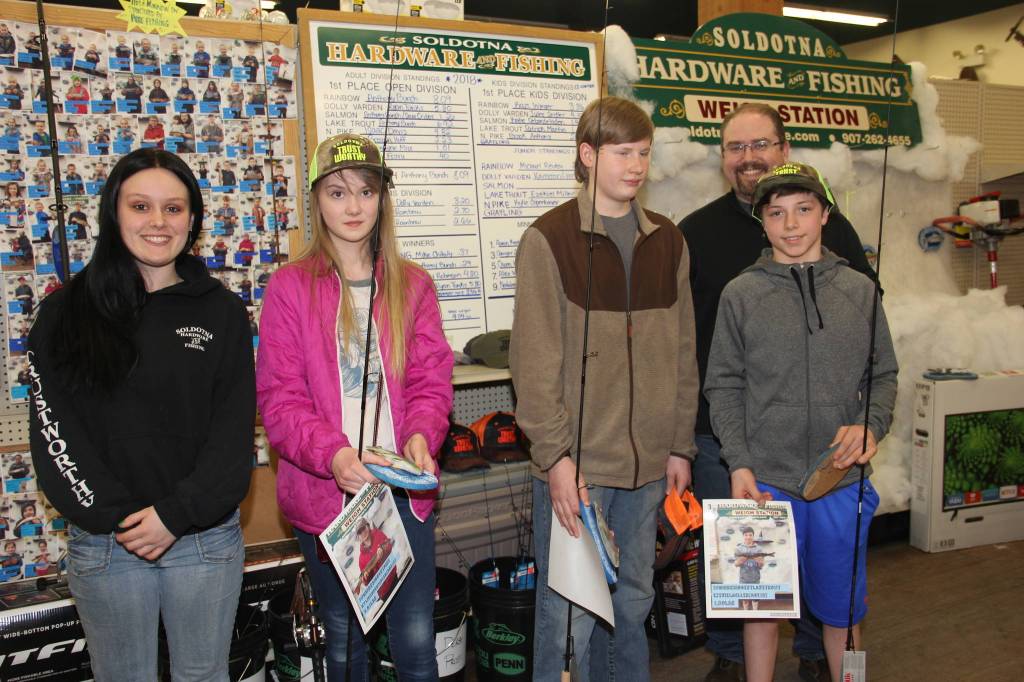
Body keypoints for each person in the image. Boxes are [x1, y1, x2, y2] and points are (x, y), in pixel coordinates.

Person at [27, 148, 255, 680]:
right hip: (108, 545)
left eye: (173, 209)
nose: (158, 222)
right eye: (141, 206)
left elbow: (232, 434)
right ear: (115, 213)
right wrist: (124, 520)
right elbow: (55, 437)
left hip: (203, 540)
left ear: (192, 220)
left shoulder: (221, 311)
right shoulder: (65, 312)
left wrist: (175, 514)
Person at [677, 102, 877, 682]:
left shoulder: (842, 251)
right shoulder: (701, 236)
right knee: (750, 589)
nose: (749, 157)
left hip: (834, 465)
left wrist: (871, 421)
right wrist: (723, 450)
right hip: (742, 448)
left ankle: (827, 661)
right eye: (736, 148)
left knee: (842, 598)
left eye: (760, 143)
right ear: (722, 160)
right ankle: (734, 661)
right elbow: (704, 356)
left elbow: (874, 358)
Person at [509, 96, 698, 682]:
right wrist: (556, 460)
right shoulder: (548, 241)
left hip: (647, 475)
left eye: (643, 153)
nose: (636, 166)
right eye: (622, 153)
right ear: (587, 155)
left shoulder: (668, 241)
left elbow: (685, 353)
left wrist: (679, 446)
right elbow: (534, 368)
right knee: (568, 618)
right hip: (578, 474)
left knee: (634, 602)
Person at [256, 132, 453, 681]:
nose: (353, 206)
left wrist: (420, 437)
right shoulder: (290, 288)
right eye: (338, 192)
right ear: (317, 200)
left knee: (415, 644)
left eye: (366, 191)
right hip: (328, 500)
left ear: (382, 199)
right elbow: (280, 400)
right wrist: (336, 455)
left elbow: (431, 382)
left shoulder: (414, 284)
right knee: (343, 649)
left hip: (403, 494)